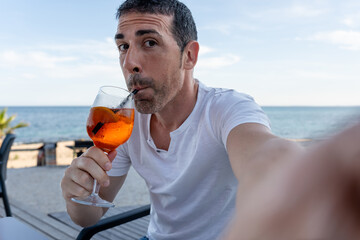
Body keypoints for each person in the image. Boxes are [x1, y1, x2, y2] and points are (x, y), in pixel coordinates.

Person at [61, 0, 360, 239]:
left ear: (189, 56)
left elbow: (265, 154)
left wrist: (296, 184)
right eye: (123, 46)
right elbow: (88, 217)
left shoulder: (226, 108)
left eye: (149, 42)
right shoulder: (127, 122)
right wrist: (75, 194)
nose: (130, 63)